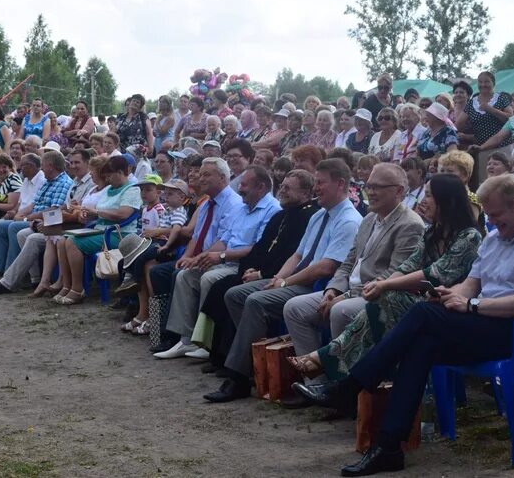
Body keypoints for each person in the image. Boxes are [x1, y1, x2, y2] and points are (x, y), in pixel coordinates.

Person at [295, 174, 514, 476]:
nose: (490, 221)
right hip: (481, 322)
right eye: (488, 214)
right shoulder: (494, 237)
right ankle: (388, 446)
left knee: (423, 315)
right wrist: (454, 295)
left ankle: (349, 384)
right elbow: (471, 283)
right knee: (420, 345)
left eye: (495, 215)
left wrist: (471, 304)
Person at [287, 174, 481, 383]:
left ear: (447, 200)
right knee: (381, 299)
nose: (423, 201)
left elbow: (435, 273)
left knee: (380, 300)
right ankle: (335, 376)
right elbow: (409, 265)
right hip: (424, 303)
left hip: (451, 309)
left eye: (429, 196)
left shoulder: (469, 236)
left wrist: (385, 284)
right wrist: (381, 286)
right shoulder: (433, 232)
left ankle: (332, 369)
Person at [203, 159, 362, 402]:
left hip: (320, 286)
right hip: (298, 279)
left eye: (321, 183)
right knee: (235, 293)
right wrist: (279, 278)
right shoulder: (320, 215)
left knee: (256, 301)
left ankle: (238, 377)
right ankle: (260, 363)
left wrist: (286, 283)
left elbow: (326, 267)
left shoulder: (349, 220)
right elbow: (298, 254)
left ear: (340, 184)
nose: (316, 188)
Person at [283, 164, 425, 384]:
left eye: (378, 187)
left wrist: (346, 296)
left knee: (340, 311)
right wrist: (333, 289)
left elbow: (394, 274)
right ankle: (316, 383)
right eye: (369, 186)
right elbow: (349, 261)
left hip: (378, 295)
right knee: (295, 308)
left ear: (399, 191)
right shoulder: (369, 219)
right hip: (347, 290)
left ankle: (346, 389)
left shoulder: (410, 224)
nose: (372, 192)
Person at [199, 170, 319, 375]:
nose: (282, 191)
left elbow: (294, 255)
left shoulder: (308, 216)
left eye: (288, 188)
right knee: (222, 288)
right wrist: (252, 268)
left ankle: (242, 364)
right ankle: (224, 354)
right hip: (264, 271)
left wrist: (263, 274)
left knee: (233, 290)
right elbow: (262, 247)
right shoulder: (281, 215)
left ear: (306, 193)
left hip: (285, 277)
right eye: (282, 186)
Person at [156, 166, 280, 360]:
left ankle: (207, 341)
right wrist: (201, 256)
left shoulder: (272, 210)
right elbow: (224, 238)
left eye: (245, 185)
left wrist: (220, 256)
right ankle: (185, 339)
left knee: (208, 278)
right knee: (185, 275)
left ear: (261, 187)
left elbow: (258, 248)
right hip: (225, 259)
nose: (240, 188)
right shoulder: (242, 207)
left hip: (244, 264)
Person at [148, 157, 245, 356]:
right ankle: (169, 332)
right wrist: (189, 256)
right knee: (155, 269)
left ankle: (177, 335)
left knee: (175, 273)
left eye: (206, 174)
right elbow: (196, 235)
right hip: (196, 254)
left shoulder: (232, 203)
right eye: (200, 174)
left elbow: (222, 240)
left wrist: (195, 257)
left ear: (222, 177)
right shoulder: (206, 204)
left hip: (218, 257)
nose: (201, 179)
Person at [0, 150, 97, 294]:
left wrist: (39, 220)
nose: (72, 166)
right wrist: (27, 217)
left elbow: (73, 212)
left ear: (87, 163)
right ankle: (35, 279)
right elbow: (64, 207)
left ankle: (8, 281)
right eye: (71, 162)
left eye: (77, 162)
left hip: (73, 227)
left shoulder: (88, 183)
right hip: (59, 223)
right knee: (22, 233)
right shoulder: (74, 182)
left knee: (29, 236)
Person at [53, 156, 141, 304]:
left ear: (120, 172)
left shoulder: (132, 189)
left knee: (72, 243)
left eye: (109, 175)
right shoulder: (109, 190)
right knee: (62, 240)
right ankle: (66, 285)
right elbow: (97, 211)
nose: (107, 179)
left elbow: (123, 214)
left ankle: (77, 288)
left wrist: (96, 213)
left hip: (119, 234)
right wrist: (85, 215)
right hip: (100, 230)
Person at [116, 179, 190, 333]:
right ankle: (141, 312)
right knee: (131, 259)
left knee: (146, 263)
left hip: (171, 248)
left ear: (182, 197)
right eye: (165, 193)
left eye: (170, 194)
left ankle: (153, 318)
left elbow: (178, 230)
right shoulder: (168, 210)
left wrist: (164, 241)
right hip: (158, 242)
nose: (166, 196)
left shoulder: (177, 210)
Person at [455, 71, 512, 147]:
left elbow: (511, 119)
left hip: (503, 146)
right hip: (481, 148)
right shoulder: (472, 102)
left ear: (493, 83)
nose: (483, 85)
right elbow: (458, 125)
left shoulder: (501, 98)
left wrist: (491, 109)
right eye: (480, 82)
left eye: (487, 82)